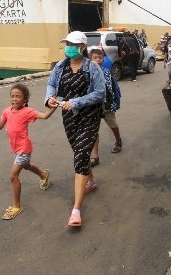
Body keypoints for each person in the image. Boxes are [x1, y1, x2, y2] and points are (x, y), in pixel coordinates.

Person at [45, 31, 106, 228]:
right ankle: (91, 181)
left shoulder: (92, 67)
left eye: (72, 44)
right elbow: (51, 85)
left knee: (80, 155)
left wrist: (76, 102)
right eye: (67, 43)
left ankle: (76, 210)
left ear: (82, 47)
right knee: (79, 151)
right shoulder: (60, 67)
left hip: (89, 116)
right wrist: (50, 98)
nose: (68, 47)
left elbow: (100, 93)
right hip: (69, 116)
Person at [0, 83, 56, 220]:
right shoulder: (7, 111)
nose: (14, 99)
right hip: (16, 148)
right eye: (12, 96)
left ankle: (16, 205)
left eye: (18, 97)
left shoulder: (27, 111)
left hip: (24, 149)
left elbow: (43, 116)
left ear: (25, 99)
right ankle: (43, 174)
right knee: (26, 166)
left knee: (13, 176)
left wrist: (53, 108)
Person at [89, 49, 123, 165]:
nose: (98, 60)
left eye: (100, 57)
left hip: (106, 104)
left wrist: (110, 103)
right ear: (90, 59)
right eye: (95, 58)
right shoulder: (87, 73)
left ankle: (118, 141)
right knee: (93, 130)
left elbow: (108, 89)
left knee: (112, 124)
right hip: (92, 105)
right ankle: (95, 156)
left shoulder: (106, 72)